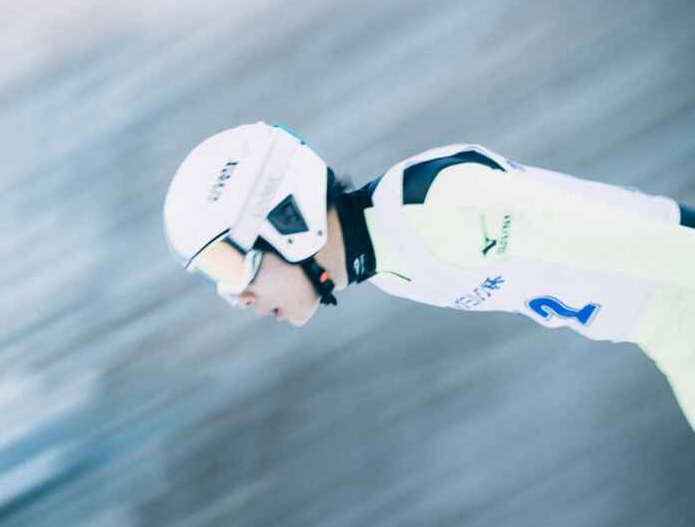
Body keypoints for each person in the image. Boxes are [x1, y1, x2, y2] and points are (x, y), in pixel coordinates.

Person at [162, 122, 695, 430]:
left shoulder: (437, 205)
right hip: (671, 331)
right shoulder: (390, 263)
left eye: (235, 265)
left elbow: (649, 248)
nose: (239, 296)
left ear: (287, 217)